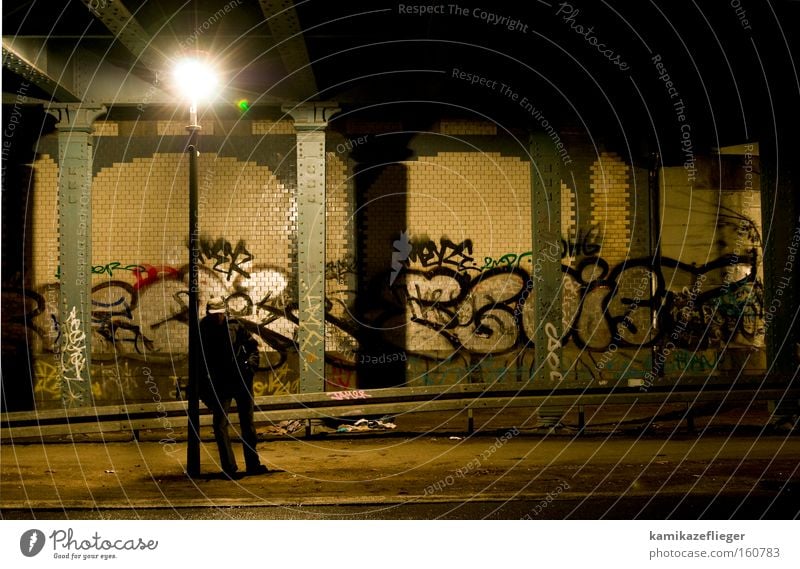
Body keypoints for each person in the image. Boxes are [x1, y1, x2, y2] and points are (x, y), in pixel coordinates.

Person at [198, 296, 268, 478]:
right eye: (214, 315)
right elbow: (198, 358)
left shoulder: (235, 326)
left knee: (247, 425)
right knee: (220, 424)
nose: (217, 318)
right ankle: (229, 467)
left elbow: (253, 347)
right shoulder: (203, 328)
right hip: (221, 382)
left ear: (224, 312)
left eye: (219, 314)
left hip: (241, 380)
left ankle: (252, 464)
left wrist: (249, 367)